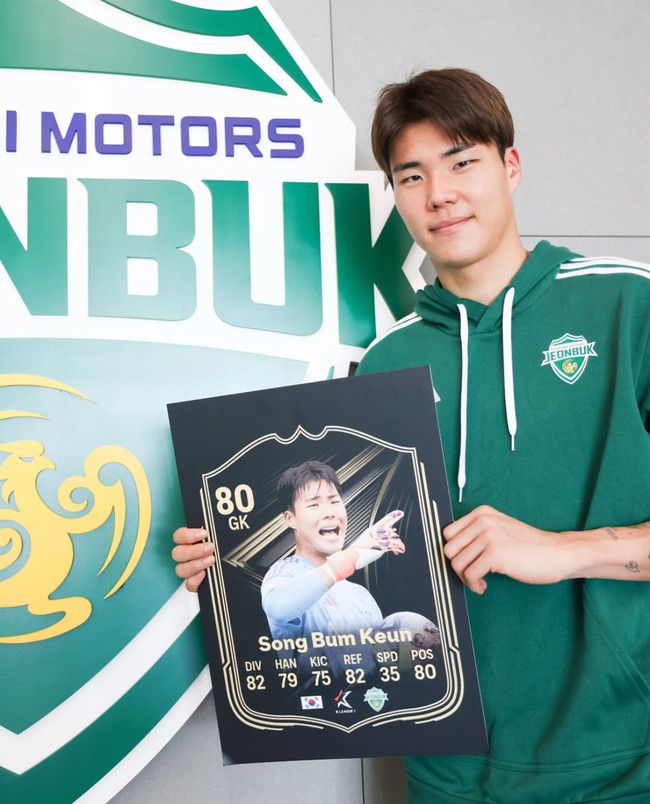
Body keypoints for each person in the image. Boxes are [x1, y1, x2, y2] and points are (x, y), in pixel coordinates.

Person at [173, 68, 650, 802]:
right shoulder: (386, 362)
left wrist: (563, 552)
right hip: (445, 771)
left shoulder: (626, 304)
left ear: (511, 165)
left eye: (462, 162)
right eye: (412, 176)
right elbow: (319, 587)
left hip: (618, 761)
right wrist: (225, 563)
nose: (440, 194)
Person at [261, 460, 405, 642]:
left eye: (335, 501)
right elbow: (277, 608)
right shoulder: (285, 573)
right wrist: (351, 557)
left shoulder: (361, 595)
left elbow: (381, 653)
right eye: (314, 505)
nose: (329, 512)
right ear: (290, 519)